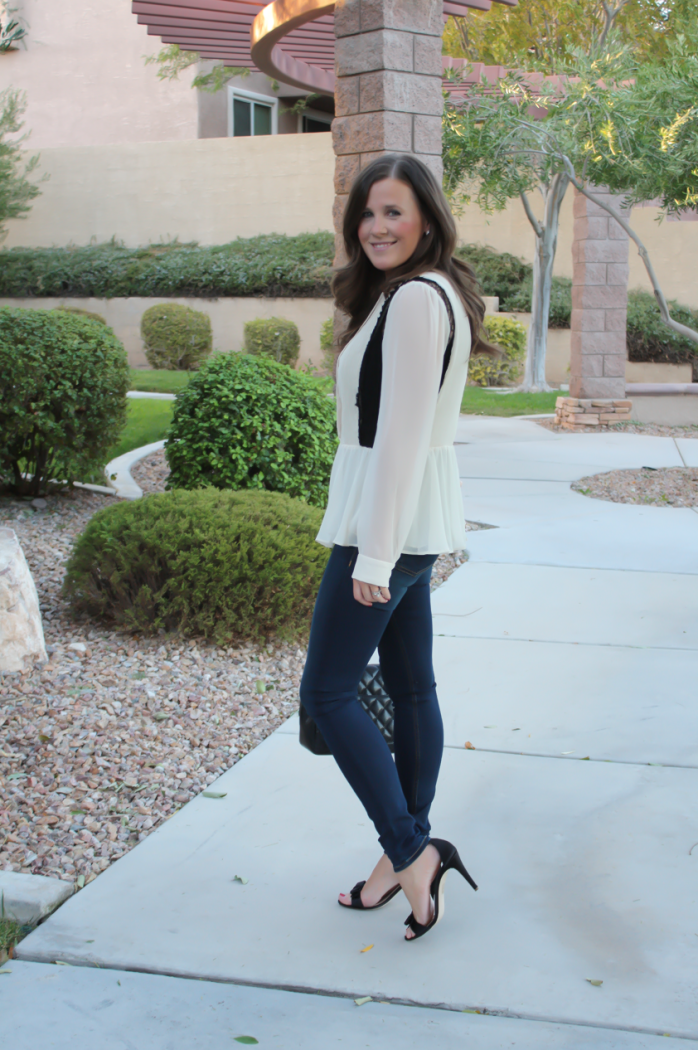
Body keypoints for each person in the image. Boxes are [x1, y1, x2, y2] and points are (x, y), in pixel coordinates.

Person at [299, 153, 497, 942]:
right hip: (409, 524)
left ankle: (413, 852)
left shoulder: (416, 299)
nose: (377, 227)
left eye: (394, 212)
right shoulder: (419, 292)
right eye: (367, 214)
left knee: (328, 695)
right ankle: (403, 861)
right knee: (412, 689)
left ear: (426, 219)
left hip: (386, 527)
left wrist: (374, 557)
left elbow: (402, 439)